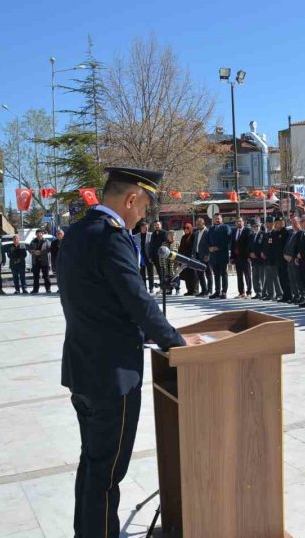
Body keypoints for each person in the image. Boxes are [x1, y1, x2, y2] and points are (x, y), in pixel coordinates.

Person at [58, 167, 201, 538]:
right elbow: (137, 300)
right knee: (107, 474)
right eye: (143, 208)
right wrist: (176, 342)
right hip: (112, 376)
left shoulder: (77, 231)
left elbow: (102, 302)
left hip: (83, 367)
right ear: (131, 199)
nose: (142, 217)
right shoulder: (111, 238)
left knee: (92, 465)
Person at [284, 216, 304, 304]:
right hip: (288, 260)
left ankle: (302, 296)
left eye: (295, 222)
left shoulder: (301, 233)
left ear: (299, 223)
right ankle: (295, 295)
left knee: (298, 279)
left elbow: (300, 247)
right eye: (292, 223)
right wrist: (285, 255)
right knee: (291, 279)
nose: (293, 224)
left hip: (295, 260)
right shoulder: (291, 233)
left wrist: (294, 256)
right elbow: (286, 246)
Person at [230, 216, 252, 298]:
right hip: (237, 257)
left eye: (240, 221)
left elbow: (249, 244)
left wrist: (249, 255)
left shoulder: (247, 231)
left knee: (247, 275)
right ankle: (241, 292)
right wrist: (232, 257)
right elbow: (233, 244)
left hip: (245, 257)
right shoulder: (234, 231)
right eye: (237, 221)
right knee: (239, 276)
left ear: (243, 222)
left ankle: (249, 292)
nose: (238, 223)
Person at [261, 217, 282, 300]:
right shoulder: (266, 234)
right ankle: (270, 294)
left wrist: (267, 254)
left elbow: (274, 247)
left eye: (269, 223)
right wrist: (262, 253)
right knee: (268, 277)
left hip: (273, 259)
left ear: (273, 224)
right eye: (267, 223)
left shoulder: (275, 233)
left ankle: (279, 294)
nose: (268, 225)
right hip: (266, 260)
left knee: (275, 278)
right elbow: (264, 245)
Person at [192, 217, 211, 296]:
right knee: (200, 273)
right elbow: (195, 245)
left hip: (205, 256)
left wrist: (208, 255)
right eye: (197, 224)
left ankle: (209, 290)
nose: (197, 226)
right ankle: (204, 290)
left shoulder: (208, 232)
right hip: (197, 255)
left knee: (208, 273)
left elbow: (210, 244)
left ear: (203, 224)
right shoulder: (196, 233)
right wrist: (193, 254)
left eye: (199, 224)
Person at [275, 217, 293, 302]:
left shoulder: (286, 232)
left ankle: (289, 295)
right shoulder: (276, 233)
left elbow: (286, 246)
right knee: (281, 278)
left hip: (284, 260)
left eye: (281, 222)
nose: (279, 223)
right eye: (277, 222)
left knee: (286, 278)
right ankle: (285, 295)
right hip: (278, 259)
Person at [147, 221, 167, 293]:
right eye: (155, 225)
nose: (157, 226)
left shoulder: (164, 233)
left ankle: (165, 288)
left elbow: (166, 244)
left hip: (162, 257)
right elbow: (151, 246)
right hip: (155, 258)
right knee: (159, 273)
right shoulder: (153, 234)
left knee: (164, 273)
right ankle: (162, 287)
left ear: (160, 225)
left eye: (158, 225)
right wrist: (150, 256)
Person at [30, 229, 52, 294]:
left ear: (42, 234)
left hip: (44, 261)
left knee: (46, 276)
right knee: (36, 276)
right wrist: (34, 252)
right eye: (38, 233)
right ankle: (35, 289)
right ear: (36, 234)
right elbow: (30, 249)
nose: (39, 235)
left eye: (40, 233)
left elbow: (49, 249)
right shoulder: (33, 241)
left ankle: (48, 289)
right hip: (35, 262)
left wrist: (41, 252)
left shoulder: (46, 241)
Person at [178, 222, 196, 296]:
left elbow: (194, 247)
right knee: (186, 275)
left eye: (187, 228)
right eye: (185, 228)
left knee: (193, 275)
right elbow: (181, 248)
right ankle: (189, 290)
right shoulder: (183, 237)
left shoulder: (193, 236)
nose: (186, 230)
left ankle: (194, 290)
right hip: (184, 258)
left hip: (191, 258)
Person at [249, 219, 265, 299]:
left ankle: (264, 292)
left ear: (260, 226)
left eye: (257, 226)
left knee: (262, 277)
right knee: (255, 277)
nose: (255, 227)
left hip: (261, 260)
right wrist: (250, 254)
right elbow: (249, 247)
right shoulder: (251, 235)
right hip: (253, 260)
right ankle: (258, 292)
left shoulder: (263, 234)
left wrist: (257, 254)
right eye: (254, 226)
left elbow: (263, 247)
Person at [136, 221, 153, 289]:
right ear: (141, 228)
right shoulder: (136, 236)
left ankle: (151, 287)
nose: (145, 229)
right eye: (144, 227)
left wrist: (152, 256)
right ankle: (144, 287)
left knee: (150, 273)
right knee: (142, 273)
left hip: (148, 256)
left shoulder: (151, 235)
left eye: (146, 227)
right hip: (141, 257)